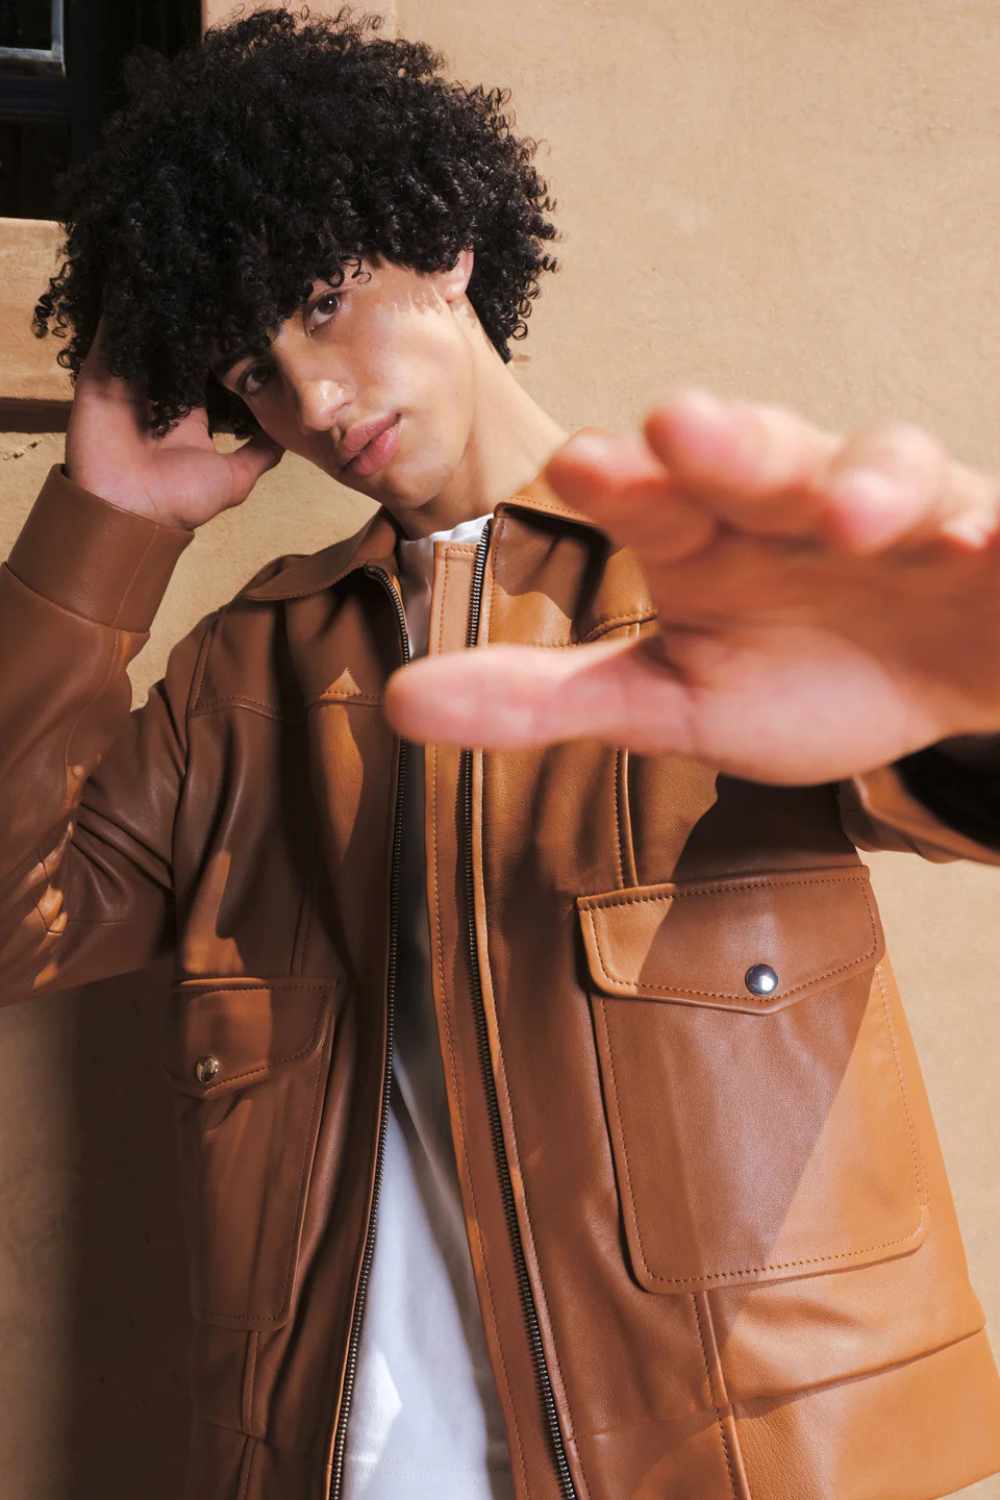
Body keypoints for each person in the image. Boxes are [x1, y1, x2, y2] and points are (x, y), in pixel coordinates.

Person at [5, 6, 1000, 1498]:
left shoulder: (712, 589)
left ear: (447, 242)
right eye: (255, 369)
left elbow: (950, 784)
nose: (316, 400)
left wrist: (957, 698)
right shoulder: (241, 678)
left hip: (762, 1466)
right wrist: (106, 533)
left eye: (327, 301)